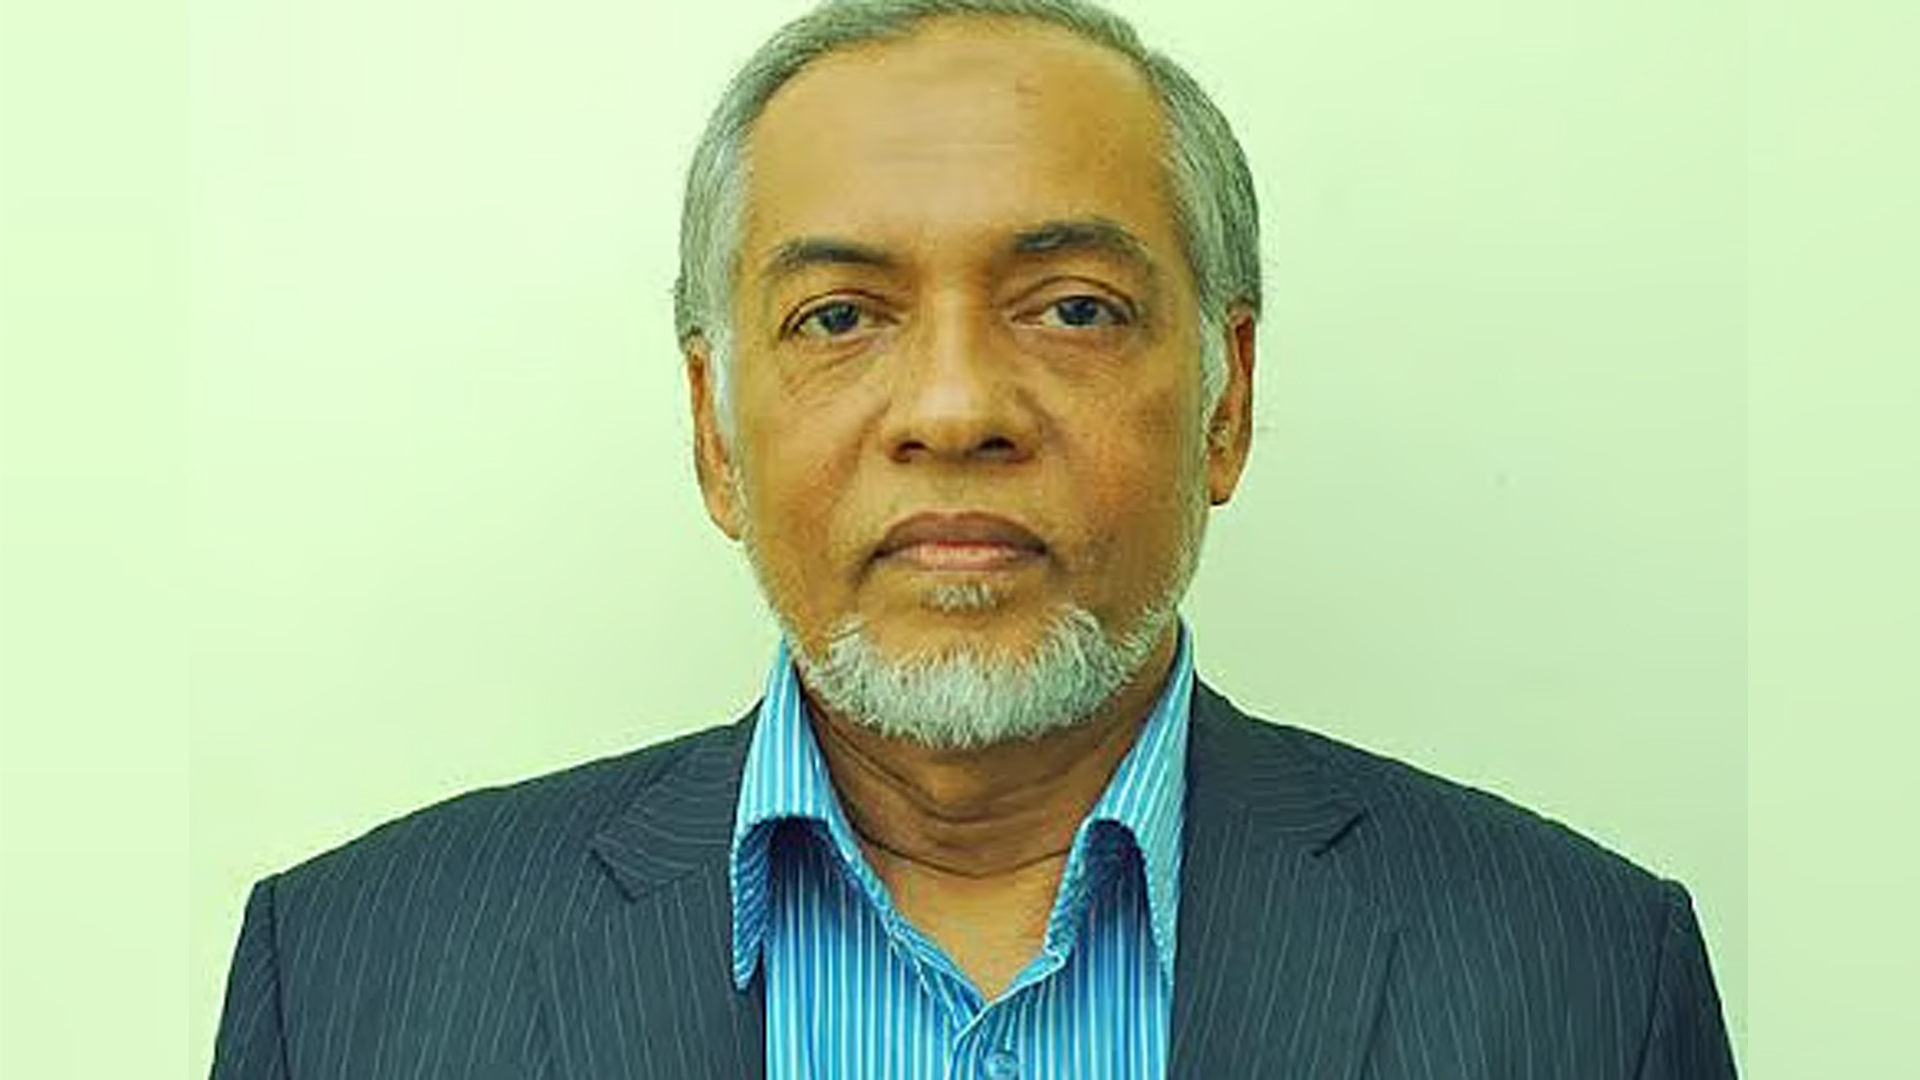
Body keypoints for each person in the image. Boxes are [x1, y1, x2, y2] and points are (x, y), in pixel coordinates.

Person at [209, 0, 1736, 1076]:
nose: (954, 409)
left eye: (1072, 308)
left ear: (1227, 398)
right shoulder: (351, 983)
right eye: (840, 317)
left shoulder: (1583, 982)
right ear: (714, 430)